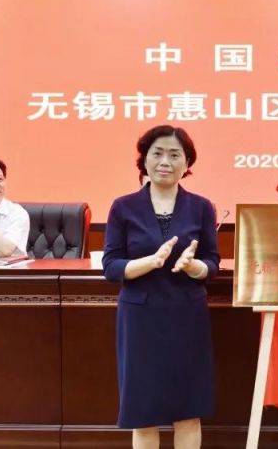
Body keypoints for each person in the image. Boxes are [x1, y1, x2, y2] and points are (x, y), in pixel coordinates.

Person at [102, 125, 220, 449]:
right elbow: (111, 266)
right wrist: (151, 262)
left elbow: (212, 262)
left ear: (187, 163)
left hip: (187, 315)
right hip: (140, 319)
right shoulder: (123, 207)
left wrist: (195, 267)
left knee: (188, 411)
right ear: (144, 159)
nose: (165, 161)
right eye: (157, 153)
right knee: (143, 412)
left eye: (174, 155)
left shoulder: (201, 207)